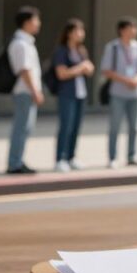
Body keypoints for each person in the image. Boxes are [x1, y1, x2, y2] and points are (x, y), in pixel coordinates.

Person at [101, 17, 137, 168]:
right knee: (115, 126)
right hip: (118, 93)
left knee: (135, 127)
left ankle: (131, 156)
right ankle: (112, 157)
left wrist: (136, 80)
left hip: (136, 94)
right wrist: (126, 80)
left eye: (135, 28)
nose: (133, 31)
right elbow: (106, 70)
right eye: (130, 28)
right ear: (122, 30)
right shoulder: (113, 47)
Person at [52, 19, 95, 172]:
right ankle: (60, 158)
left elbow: (89, 70)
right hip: (67, 94)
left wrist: (86, 68)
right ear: (69, 33)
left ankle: (71, 157)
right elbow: (62, 74)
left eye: (82, 30)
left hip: (80, 94)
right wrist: (81, 67)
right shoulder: (62, 51)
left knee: (76, 127)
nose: (81, 34)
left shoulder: (81, 50)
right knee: (66, 126)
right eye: (78, 30)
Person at [6, 6, 44, 175]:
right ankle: (14, 163)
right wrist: (35, 91)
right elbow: (24, 70)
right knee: (21, 128)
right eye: (36, 20)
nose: (38, 24)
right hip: (24, 92)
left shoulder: (27, 42)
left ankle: (18, 160)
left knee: (26, 128)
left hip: (27, 91)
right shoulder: (20, 44)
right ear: (27, 22)